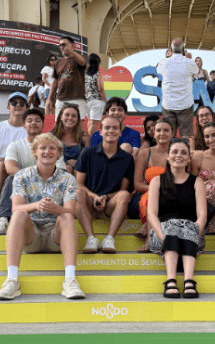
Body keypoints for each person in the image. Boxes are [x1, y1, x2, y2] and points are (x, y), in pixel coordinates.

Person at [0, 133, 84, 300]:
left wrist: (56, 208)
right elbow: (16, 207)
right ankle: (12, 280)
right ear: (35, 152)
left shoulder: (68, 178)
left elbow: (71, 211)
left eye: (52, 148)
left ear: (58, 153)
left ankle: (70, 280)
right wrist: (36, 206)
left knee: (66, 217)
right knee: (19, 214)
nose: (47, 152)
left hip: (55, 237)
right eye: (43, 148)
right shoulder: (22, 176)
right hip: (31, 235)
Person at [0, 109, 66, 235]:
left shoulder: (53, 146)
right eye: (29, 121)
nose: (33, 123)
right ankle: (3, 219)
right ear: (24, 126)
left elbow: (61, 171)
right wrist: (32, 180)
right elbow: (10, 168)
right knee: (11, 179)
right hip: (24, 190)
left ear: (43, 124)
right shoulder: (15, 146)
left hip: (48, 187)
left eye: (37, 120)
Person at [147, 138, 207, 298]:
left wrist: (194, 234)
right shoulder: (157, 181)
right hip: (163, 236)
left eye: (183, 153)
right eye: (174, 152)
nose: (178, 155)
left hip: (192, 238)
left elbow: (202, 216)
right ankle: (171, 279)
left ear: (189, 158)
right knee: (172, 224)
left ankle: (188, 280)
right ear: (168, 156)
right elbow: (151, 214)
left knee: (186, 225)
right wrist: (164, 237)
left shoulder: (197, 182)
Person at [75, 116, 134, 254]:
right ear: (100, 131)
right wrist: (95, 197)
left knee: (125, 195)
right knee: (78, 193)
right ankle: (91, 238)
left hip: (110, 205)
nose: (111, 131)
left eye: (115, 128)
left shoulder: (127, 158)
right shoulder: (87, 153)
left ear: (120, 132)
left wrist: (105, 197)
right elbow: (79, 185)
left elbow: (123, 190)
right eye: (107, 127)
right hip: (89, 202)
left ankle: (109, 239)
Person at [132, 119, 173, 251]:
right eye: (158, 130)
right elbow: (137, 184)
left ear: (172, 133)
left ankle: (147, 227)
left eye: (166, 130)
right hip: (145, 194)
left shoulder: (178, 152)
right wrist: (156, 189)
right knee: (154, 196)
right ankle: (150, 239)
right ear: (153, 134)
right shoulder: (145, 154)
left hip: (172, 194)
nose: (162, 133)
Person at [156, 38, 199, 138]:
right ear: (183, 49)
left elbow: (158, 70)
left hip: (168, 105)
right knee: (187, 136)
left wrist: (169, 57)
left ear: (170, 49)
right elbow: (196, 71)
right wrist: (189, 58)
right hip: (186, 105)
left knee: (169, 136)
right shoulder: (189, 62)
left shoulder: (164, 62)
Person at [47, 37, 88, 119]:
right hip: (61, 99)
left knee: (80, 125)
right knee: (59, 125)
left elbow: (82, 62)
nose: (62, 47)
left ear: (73, 45)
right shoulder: (58, 62)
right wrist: (49, 99)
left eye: (64, 44)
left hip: (77, 98)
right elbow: (54, 83)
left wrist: (72, 51)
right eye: (60, 45)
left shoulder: (78, 58)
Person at [50, 103, 90, 175]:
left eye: (74, 116)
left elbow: (88, 159)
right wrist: (63, 165)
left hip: (78, 173)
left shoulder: (84, 137)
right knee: (67, 168)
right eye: (67, 115)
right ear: (61, 117)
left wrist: (78, 162)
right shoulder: (51, 136)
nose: (70, 118)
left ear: (78, 119)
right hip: (56, 172)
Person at [85, 53, 108, 136]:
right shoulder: (98, 74)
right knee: (94, 123)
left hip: (86, 101)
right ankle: (91, 142)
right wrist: (106, 101)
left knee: (90, 121)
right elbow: (100, 89)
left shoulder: (84, 74)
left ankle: (88, 141)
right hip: (96, 101)